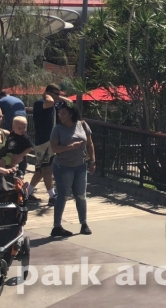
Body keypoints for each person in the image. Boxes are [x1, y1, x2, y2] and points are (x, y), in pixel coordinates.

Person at [50, 101, 95, 237]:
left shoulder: (82, 125)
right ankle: (57, 226)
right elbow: (54, 148)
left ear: (71, 113)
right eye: (59, 113)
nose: (61, 116)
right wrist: (70, 147)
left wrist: (92, 161)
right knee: (63, 196)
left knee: (81, 195)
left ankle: (84, 223)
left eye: (63, 113)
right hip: (63, 166)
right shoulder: (57, 129)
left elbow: (90, 144)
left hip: (80, 166)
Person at [30, 84, 66, 204]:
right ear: (48, 93)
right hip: (43, 141)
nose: (57, 97)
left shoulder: (54, 105)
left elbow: (70, 103)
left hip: (51, 141)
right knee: (47, 169)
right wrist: (49, 95)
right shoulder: (40, 103)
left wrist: (59, 97)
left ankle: (27, 193)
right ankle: (52, 196)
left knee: (41, 170)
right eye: (56, 94)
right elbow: (49, 102)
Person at [3, 115, 33, 192]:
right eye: (19, 128)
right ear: (13, 128)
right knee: (8, 168)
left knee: (21, 171)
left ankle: (21, 185)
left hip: (20, 156)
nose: (22, 130)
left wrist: (20, 156)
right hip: (9, 155)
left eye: (24, 127)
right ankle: (6, 180)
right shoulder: (11, 135)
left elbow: (29, 148)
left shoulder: (25, 137)